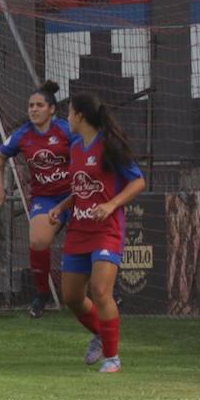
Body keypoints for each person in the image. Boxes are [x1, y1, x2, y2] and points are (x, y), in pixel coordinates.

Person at [46, 92, 146, 374]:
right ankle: (102, 334)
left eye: (69, 113)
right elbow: (81, 188)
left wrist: (111, 204)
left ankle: (112, 359)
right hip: (79, 229)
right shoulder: (76, 147)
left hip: (106, 230)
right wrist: (61, 207)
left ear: (80, 116)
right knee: (72, 297)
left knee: (101, 291)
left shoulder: (109, 146)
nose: (66, 117)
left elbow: (138, 182)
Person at [0, 80, 72, 318]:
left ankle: (111, 288)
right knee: (37, 241)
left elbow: (88, 152)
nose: (34, 109)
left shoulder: (66, 130)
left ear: (52, 109)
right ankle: (41, 294)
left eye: (39, 105)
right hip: (45, 199)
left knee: (91, 242)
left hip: (75, 196)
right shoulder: (22, 134)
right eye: (30, 106)